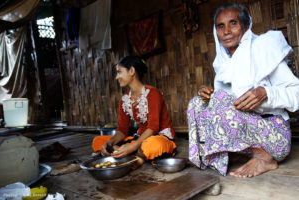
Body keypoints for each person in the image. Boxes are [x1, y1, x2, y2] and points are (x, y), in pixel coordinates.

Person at [187, 3, 299, 178]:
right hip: (245, 142)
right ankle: (220, 157)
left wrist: (266, 92)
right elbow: (227, 105)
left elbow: (296, 92)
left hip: (275, 139)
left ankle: (265, 158)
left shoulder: (263, 51)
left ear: (246, 27)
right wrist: (209, 94)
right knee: (196, 103)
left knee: (219, 98)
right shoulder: (223, 64)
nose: (226, 31)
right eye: (220, 26)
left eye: (233, 23)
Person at [92, 56, 176, 168]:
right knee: (98, 141)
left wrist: (133, 146)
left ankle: (129, 154)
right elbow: (122, 130)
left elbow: (153, 127)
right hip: (140, 138)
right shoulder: (125, 100)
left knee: (154, 145)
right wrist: (109, 143)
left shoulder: (152, 93)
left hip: (159, 137)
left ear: (131, 71)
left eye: (119, 72)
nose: (117, 77)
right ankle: (135, 156)